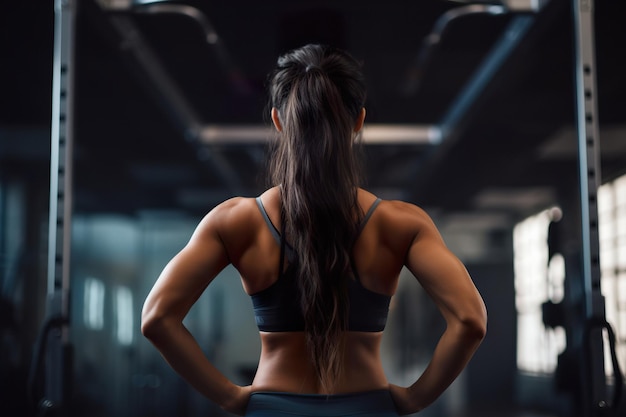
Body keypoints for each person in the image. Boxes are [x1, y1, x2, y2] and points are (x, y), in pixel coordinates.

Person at [141, 43, 487, 417]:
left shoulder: (235, 220)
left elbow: (157, 318)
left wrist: (229, 396)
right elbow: (470, 321)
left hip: (273, 408)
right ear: (359, 121)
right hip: (368, 408)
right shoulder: (402, 223)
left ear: (277, 120)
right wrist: (416, 397)